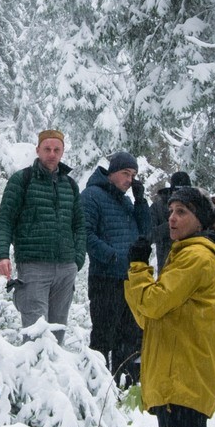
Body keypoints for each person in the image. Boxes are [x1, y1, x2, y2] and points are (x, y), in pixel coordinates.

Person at [125, 188, 215, 427]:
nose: (171, 218)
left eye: (181, 212)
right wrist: (138, 274)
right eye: (170, 211)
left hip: (183, 379)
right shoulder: (183, 254)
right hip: (177, 379)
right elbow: (148, 317)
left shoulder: (196, 257)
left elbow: (152, 304)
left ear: (200, 220)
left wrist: (138, 269)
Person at [0, 129, 86, 341]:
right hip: (33, 267)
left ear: (62, 152)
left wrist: (77, 259)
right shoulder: (22, 180)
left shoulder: (70, 185)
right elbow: (6, 219)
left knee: (57, 334)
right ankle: (33, 364)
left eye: (56, 150)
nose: (52, 154)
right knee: (36, 336)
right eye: (47, 149)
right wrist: (2, 255)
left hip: (66, 268)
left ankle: (55, 364)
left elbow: (80, 225)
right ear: (38, 150)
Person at [81, 150, 151, 385]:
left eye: (133, 175)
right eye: (125, 173)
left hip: (131, 280)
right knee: (103, 337)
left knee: (131, 338)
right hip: (105, 279)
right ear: (112, 172)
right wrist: (112, 257)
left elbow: (146, 232)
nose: (130, 180)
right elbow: (85, 234)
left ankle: (126, 389)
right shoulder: (91, 196)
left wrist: (141, 201)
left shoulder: (127, 201)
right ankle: (97, 389)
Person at [151, 170, 194, 270]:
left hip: (193, 263)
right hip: (167, 266)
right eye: (178, 192)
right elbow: (149, 234)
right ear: (172, 191)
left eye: (186, 192)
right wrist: (171, 225)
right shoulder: (158, 207)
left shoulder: (197, 207)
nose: (182, 196)